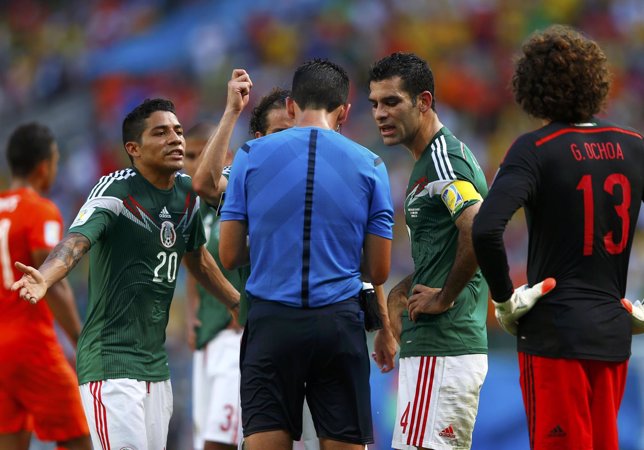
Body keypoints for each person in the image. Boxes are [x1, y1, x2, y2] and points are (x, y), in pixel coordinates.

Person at [11, 99, 241, 450]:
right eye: (161, 132)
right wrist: (46, 275)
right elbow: (75, 243)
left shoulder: (186, 195)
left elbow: (196, 257)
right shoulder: (115, 190)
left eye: (178, 131)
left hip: (155, 369)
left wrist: (236, 301)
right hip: (111, 366)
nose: (176, 139)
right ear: (133, 148)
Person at [472, 25, 644, 450]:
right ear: (596, 81)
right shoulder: (634, 146)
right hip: (612, 334)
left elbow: (487, 227)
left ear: (531, 87)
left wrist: (504, 300)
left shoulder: (535, 148)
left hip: (553, 337)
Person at [218, 59, 394, 450]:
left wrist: (278, 248)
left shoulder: (250, 155)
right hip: (338, 325)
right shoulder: (372, 165)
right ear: (345, 112)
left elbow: (229, 255)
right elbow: (379, 269)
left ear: (292, 106)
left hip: (271, 324)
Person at [368, 52, 489, 450]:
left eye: (391, 102)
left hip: (444, 349)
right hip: (437, 352)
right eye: (374, 104)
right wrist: (403, 293)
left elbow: (477, 225)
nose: (380, 114)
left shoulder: (442, 158)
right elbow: (448, 247)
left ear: (423, 101)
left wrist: (444, 295)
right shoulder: (424, 163)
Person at [0, 123, 91, 450]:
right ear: (44, 166)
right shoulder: (41, 210)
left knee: (10, 440)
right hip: (31, 345)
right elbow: (50, 280)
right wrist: (81, 339)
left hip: (1, 351)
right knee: (80, 437)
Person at [184, 122, 246, 450]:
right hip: (207, 337)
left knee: (220, 440)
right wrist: (193, 309)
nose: (192, 163)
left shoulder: (237, 201)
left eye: (201, 154)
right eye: (188, 155)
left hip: (235, 337)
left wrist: (241, 303)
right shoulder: (193, 210)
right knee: (203, 440)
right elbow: (195, 261)